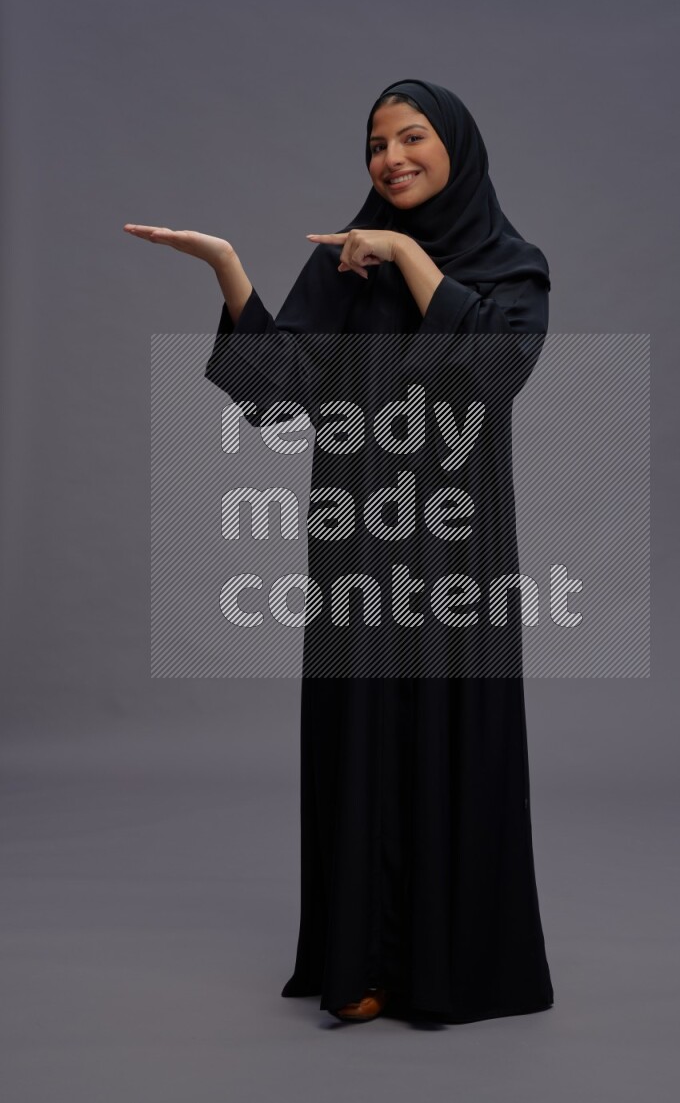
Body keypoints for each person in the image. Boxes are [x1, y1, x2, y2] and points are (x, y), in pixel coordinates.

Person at [124, 77, 554, 1025]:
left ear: (457, 148)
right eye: (375, 144)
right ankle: (361, 965)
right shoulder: (342, 266)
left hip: (457, 546)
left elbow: (494, 373)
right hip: (356, 538)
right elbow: (278, 393)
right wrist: (228, 269)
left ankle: (447, 968)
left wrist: (405, 252)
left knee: (447, 733)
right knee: (358, 734)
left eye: (412, 137)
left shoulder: (512, 267)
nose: (390, 158)